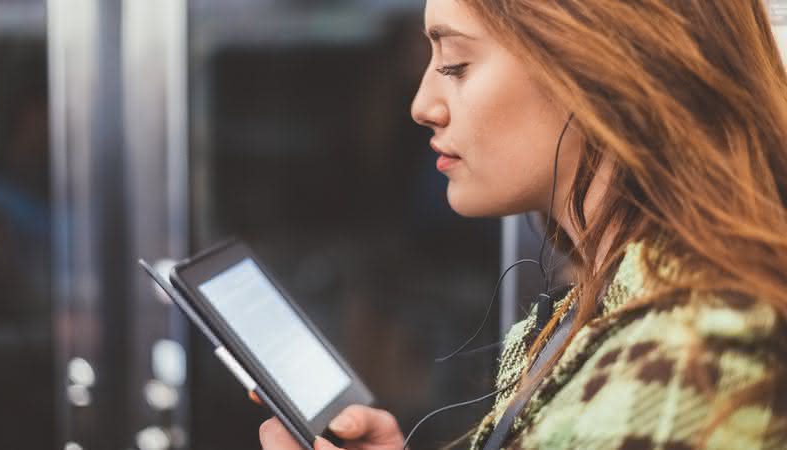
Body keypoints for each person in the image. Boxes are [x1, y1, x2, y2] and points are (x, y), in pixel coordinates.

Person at [259, 1, 787, 449]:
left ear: (595, 67)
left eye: (457, 64)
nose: (422, 105)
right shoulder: (605, 310)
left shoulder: (684, 366)